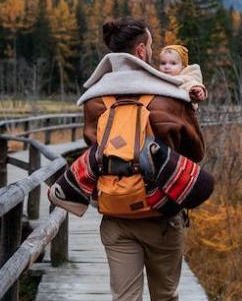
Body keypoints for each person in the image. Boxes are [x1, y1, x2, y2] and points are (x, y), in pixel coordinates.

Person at [78, 17, 205, 301]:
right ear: (140, 51)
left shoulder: (95, 99)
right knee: (165, 295)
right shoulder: (171, 97)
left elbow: (93, 145)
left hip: (116, 214)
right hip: (162, 214)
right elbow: (196, 154)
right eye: (149, 45)